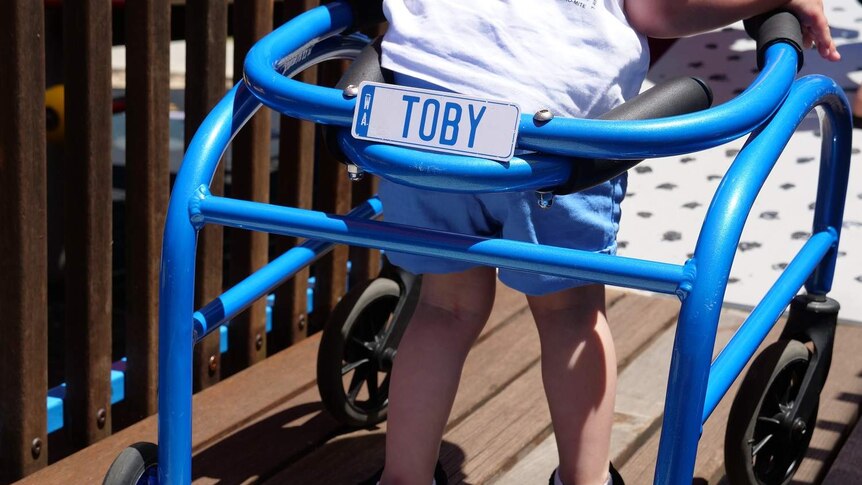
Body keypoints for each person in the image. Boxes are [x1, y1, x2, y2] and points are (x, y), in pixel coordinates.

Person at [363, 1, 840, 484]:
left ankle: (403, 477)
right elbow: (660, 11)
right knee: (570, 313)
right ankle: (585, 478)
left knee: (444, 308)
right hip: (549, 133)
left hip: (413, 113)